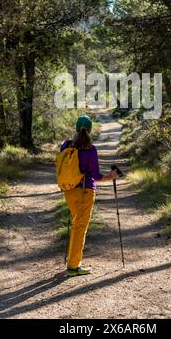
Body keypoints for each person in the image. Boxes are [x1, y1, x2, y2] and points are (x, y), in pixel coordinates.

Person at [60, 114, 117, 277]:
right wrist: (110, 176)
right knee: (80, 228)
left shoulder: (66, 145)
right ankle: (73, 266)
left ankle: (73, 260)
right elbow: (95, 175)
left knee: (75, 224)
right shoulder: (90, 149)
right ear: (91, 130)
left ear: (76, 128)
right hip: (85, 191)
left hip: (69, 190)